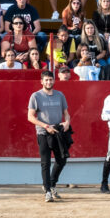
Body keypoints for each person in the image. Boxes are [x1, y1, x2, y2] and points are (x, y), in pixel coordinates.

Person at [27, 70, 72, 202]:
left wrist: (67, 122)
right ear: (41, 81)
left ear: (54, 80)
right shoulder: (36, 96)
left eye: (50, 80)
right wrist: (46, 126)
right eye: (46, 80)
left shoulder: (60, 95)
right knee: (45, 162)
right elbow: (30, 117)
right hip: (43, 132)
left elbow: (66, 113)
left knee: (62, 160)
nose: (48, 82)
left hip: (58, 131)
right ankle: (47, 191)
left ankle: (51, 183)